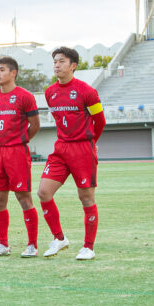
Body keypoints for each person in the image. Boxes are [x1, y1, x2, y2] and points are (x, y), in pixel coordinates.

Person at [37, 46, 106, 261]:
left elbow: (100, 121)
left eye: (61, 61)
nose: (57, 65)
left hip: (82, 149)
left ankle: (88, 247)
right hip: (61, 149)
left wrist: (90, 143)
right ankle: (59, 238)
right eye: (55, 62)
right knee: (43, 192)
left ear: (73, 66)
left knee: (85, 197)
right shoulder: (50, 92)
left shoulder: (87, 91)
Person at [0, 57, 41, 257]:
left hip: (17, 152)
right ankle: (3, 244)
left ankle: (32, 245)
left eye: (1, 70)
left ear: (13, 73)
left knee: (23, 197)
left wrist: (19, 140)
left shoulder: (25, 96)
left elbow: (35, 125)